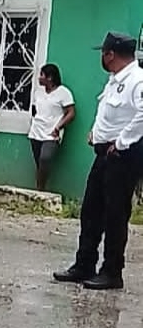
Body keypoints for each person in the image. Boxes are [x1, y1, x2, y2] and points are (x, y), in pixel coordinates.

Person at [53, 32, 143, 291]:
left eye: (103, 53)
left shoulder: (137, 80)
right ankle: (84, 264)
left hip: (124, 155)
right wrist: (96, 132)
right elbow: (108, 112)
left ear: (111, 54)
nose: (102, 58)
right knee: (91, 210)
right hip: (104, 153)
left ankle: (112, 271)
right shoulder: (114, 80)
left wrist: (122, 141)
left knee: (115, 214)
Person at [28, 63, 76, 191]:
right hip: (36, 132)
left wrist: (59, 126)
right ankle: (39, 190)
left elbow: (71, 113)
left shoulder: (63, 93)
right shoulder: (38, 92)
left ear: (50, 78)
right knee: (39, 162)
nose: (39, 78)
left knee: (45, 158)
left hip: (52, 133)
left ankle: (40, 189)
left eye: (42, 75)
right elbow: (34, 110)